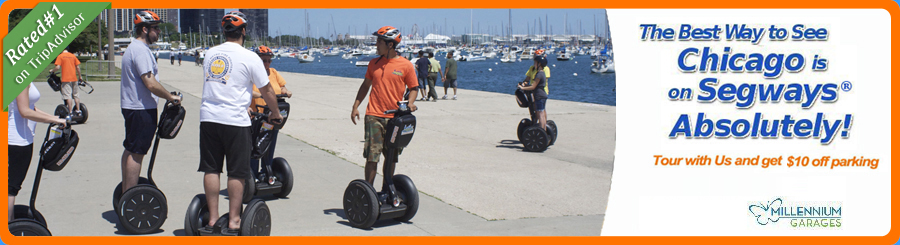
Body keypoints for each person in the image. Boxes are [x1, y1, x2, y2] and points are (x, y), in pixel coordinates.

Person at [199, 11, 282, 235]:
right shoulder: (249, 57)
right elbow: (266, 90)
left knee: (211, 169)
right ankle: (235, 220)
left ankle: (212, 220)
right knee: (237, 172)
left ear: (223, 31)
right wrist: (275, 113)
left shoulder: (210, 54)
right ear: (243, 31)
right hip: (235, 121)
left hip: (208, 119)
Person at [119, 10, 182, 200]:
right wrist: (170, 97)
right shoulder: (140, 50)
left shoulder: (135, 48)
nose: (159, 32)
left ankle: (126, 192)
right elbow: (150, 82)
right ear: (145, 29)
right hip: (140, 109)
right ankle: (129, 198)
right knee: (137, 152)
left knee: (131, 149)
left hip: (134, 106)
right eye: (156, 28)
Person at [350, 26, 418, 187]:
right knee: (372, 156)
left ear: (390, 45)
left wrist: (410, 103)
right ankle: (369, 191)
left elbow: (413, 88)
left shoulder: (406, 65)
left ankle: (387, 189)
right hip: (374, 115)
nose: (376, 45)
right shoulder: (374, 63)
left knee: (391, 156)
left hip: (395, 117)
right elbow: (365, 86)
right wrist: (355, 106)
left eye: (379, 42)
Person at [8, 84, 68, 221]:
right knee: (10, 190)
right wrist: (55, 120)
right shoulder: (19, 76)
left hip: (20, 138)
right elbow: (24, 111)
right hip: (17, 141)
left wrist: (54, 118)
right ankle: (7, 231)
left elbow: (30, 107)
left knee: (10, 189)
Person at [249, 45, 293, 180]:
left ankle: (266, 172)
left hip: (272, 116)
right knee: (256, 145)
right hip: (257, 117)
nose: (267, 63)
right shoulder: (251, 74)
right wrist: (261, 95)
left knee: (269, 144)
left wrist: (285, 91)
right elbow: (249, 91)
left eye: (269, 60)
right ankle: (253, 174)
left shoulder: (273, 72)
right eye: (263, 60)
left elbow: (282, 86)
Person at [48, 45, 83, 116]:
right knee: (76, 95)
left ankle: (70, 112)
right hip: (74, 79)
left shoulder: (61, 56)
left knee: (67, 96)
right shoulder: (73, 56)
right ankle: (78, 111)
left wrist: (52, 70)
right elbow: (78, 67)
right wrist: (80, 77)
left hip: (66, 79)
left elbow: (57, 67)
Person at [518, 55, 550, 130]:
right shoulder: (540, 73)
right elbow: (528, 79)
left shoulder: (539, 74)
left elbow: (533, 86)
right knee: (540, 112)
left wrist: (522, 87)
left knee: (540, 114)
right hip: (541, 95)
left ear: (539, 64)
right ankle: (543, 130)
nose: (534, 64)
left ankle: (541, 131)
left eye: (535, 62)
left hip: (539, 95)